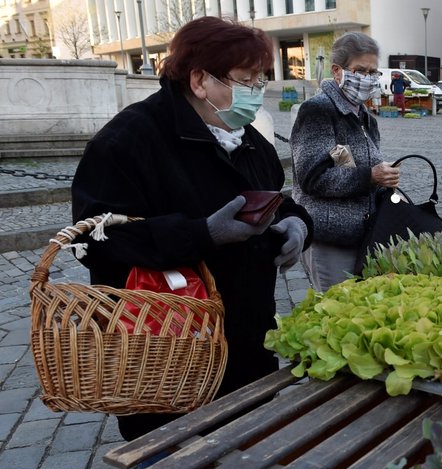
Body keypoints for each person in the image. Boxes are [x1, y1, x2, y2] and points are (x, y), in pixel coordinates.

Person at [71, 16, 314, 444]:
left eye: (260, 80)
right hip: (167, 354)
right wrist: (202, 234)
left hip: (245, 344)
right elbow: (92, 239)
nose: (256, 92)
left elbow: (274, 198)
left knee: (247, 458)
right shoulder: (129, 140)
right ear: (200, 80)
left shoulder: (247, 137)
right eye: (245, 80)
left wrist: (297, 222)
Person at [290, 32, 401, 291]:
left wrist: (385, 181)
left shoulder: (365, 117)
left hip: (365, 236)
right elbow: (313, 178)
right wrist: (370, 176)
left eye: (372, 71)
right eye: (359, 70)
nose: (367, 78)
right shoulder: (318, 110)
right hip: (330, 239)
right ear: (337, 71)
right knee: (336, 311)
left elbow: (346, 164)